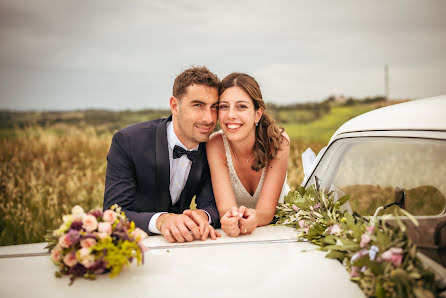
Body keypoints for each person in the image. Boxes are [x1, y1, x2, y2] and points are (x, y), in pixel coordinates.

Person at [104, 66, 221, 243]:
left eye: (214, 107)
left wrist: (202, 216)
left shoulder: (212, 147)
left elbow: (213, 205)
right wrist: (161, 220)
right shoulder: (128, 141)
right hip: (134, 245)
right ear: (175, 106)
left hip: (185, 247)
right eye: (198, 105)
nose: (209, 119)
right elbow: (113, 213)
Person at [206, 73, 290, 237]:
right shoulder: (215, 144)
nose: (231, 115)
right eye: (224, 106)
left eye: (241, 106)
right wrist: (230, 220)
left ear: (257, 114)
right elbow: (226, 209)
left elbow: (266, 211)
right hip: (239, 239)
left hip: (281, 231)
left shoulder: (278, 142)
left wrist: (255, 218)